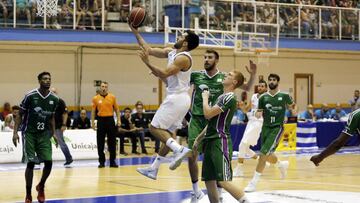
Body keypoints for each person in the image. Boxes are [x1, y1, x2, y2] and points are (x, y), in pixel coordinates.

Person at [130, 24, 200, 175]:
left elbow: (165, 73)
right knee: (168, 135)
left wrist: (147, 62)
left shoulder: (183, 58)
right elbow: (148, 49)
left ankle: (179, 149)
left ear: (186, 43)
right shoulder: (172, 52)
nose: (178, 37)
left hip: (177, 98)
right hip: (179, 98)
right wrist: (135, 31)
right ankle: (153, 169)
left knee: (154, 128)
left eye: (181, 37)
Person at [193, 70, 250, 203]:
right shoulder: (221, 97)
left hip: (220, 141)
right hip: (210, 141)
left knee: (223, 181)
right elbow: (211, 121)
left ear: (234, 82)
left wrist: (205, 98)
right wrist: (198, 138)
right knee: (208, 180)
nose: (225, 75)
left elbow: (207, 114)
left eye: (229, 75)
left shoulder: (229, 97)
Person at [12, 72, 59, 203]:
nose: (48, 81)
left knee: (49, 162)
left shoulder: (54, 99)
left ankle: (41, 186)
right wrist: (15, 132)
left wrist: (54, 133)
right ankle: (28, 194)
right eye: (45, 79)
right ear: (39, 81)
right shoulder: (30, 96)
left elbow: (52, 118)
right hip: (29, 133)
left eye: (49, 79)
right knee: (31, 163)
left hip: (44, 134)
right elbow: (19, 114)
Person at [244, 73, 296, 192]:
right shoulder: (263, 98)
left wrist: (290, 113)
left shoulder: (284, 95)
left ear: (277, 82)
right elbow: (258, 113)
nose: (272, 82)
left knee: (263, 153)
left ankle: (253, 183)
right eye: (270, 80)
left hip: (277, 128)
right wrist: (253, 113)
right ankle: (281, 165)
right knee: (267, 154)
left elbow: (292, 107)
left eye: (274, 80)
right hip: (266, 127)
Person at [233, 80, 268, 177]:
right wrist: (241, 106)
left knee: (242, 144)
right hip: (251, 122)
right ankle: (264, 162)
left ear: (266, 88)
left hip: (258, 122)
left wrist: (258, 112)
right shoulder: (253, 96)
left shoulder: (266, 98)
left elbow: (259, 114)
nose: (260, 87)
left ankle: (239, 169)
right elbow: (246, 110)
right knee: (246, 148)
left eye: (262, 86)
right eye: (259, 86)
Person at [91, 81, 121, 168]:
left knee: (112, 142)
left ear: (107, 88)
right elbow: (93, 112)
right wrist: (92, 123)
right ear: (100, 88)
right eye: (102, 86)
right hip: (100, 120)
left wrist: (119, 120)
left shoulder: (112, 97)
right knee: (100, 142)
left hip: (110, 120)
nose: (103, 88)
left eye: (105, 87)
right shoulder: (95, 98)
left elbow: (117, 110)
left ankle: (112, 161)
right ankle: (101, 162)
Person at [51, 87, 73, 167]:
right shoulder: (47, 101)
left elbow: (65, 113)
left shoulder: (60, 101)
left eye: (54, 92)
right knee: (43, 143)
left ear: (56, 93)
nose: (52, 93)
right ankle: (40, 160)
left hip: (58, 126)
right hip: (48, 126)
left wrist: (64, 124)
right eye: (51, 92)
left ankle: (68, 158)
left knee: (61, 143)